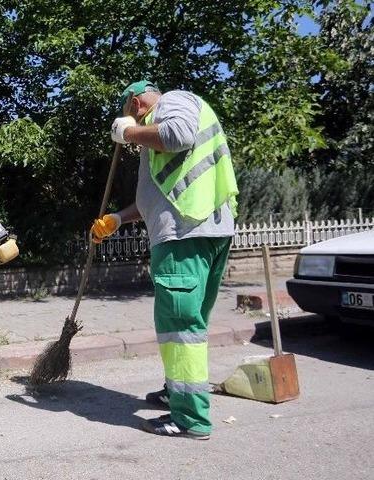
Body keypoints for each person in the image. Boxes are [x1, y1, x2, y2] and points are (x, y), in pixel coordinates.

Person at [91, 81, 239, 440]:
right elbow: (156, 200)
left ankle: (190, 419)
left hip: (183, 238)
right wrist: (117, 219)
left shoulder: (174, 103)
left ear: (137, 102)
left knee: (179, 331)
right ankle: (178, 392)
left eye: (131, 113)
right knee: (189, 326)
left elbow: (178, 134)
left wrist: (131, 132)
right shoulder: (165, 122)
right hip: (199, 232)